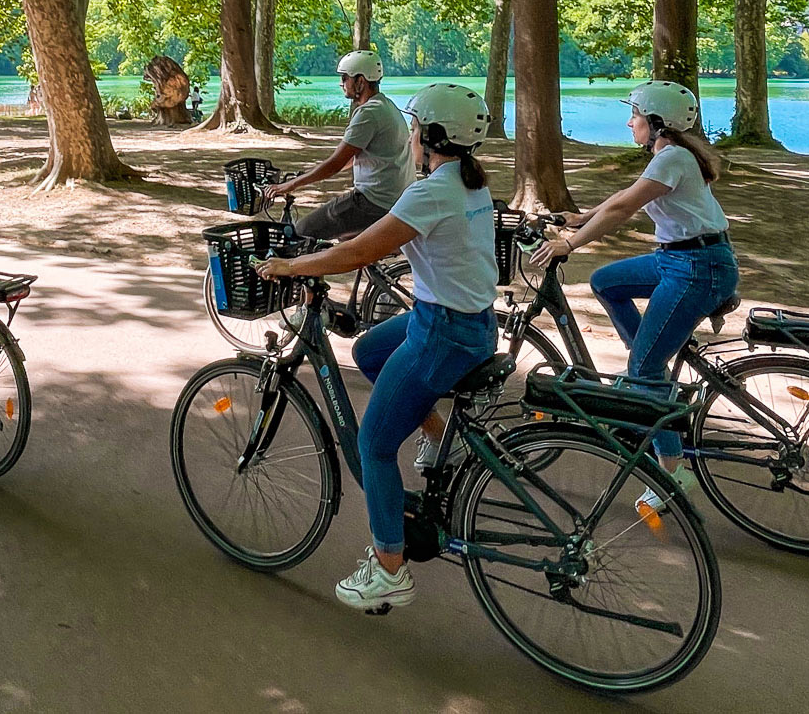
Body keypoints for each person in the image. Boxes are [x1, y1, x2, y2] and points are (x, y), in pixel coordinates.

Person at [259, 83, 497, 610]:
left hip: (442, 333)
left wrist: (292, 265)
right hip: (470, 323)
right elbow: (393, 240)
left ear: (431, 136)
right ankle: (438, 436)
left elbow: (365, 248)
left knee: (373, 446)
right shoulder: (467, 180)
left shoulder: (431, 190)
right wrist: (343, 247)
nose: (410, 135)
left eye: (415, 127)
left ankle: (390, 568)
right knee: (368, 351)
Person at [530, 81, 738, 510]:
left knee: (644, 367)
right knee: (606, 281)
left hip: (699, 268)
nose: (629, 122)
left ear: (657, 122)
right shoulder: (669, 157)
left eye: (636, 116)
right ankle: (647, 362)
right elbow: (625, 197)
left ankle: (672, 470)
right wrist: (583, 215)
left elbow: (624, 210)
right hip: (678, 260)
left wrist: (571, 243)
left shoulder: (674, 157)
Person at [262, 50, 414, 240]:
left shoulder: (368, 114)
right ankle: (365, 266)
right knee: (344, 240)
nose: (342, 83)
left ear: (361, 81)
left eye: (345, 78)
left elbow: (335, 164)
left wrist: (290, 185)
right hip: (397, 198)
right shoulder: (386, 105)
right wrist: (308, 175)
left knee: (302, 232)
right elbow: (351, 158)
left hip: (373, 202)